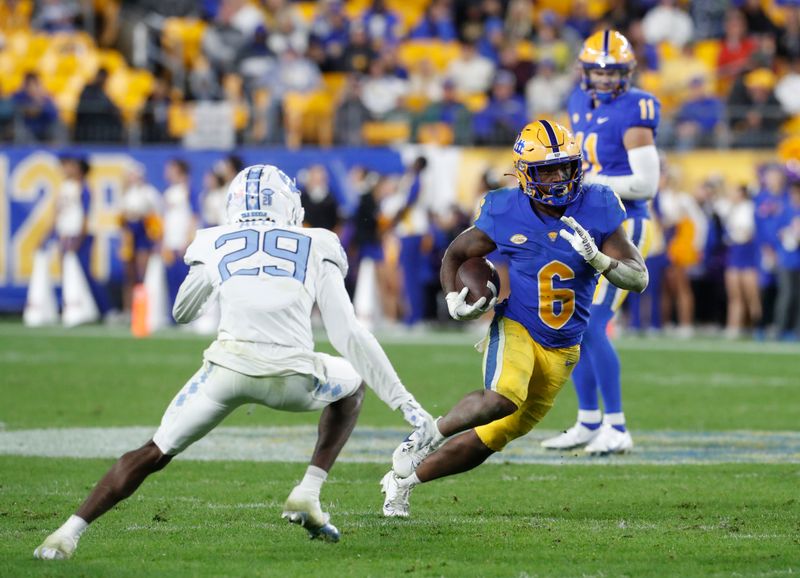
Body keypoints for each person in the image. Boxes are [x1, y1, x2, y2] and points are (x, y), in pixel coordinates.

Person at [34, 164, 435, 559]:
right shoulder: (319, 242)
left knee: (153, 452)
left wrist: (216, 270)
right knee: (352, 386)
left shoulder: (215, 239)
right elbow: (348, 335)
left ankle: (66, 534)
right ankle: (308, 490)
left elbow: (182, 313)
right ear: (287, 203)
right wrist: (404, 402)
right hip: (294, 376)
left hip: (226, 372)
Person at [380, 121, 648, 517]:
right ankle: (425, 435)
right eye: (547, 170)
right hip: (518, 325)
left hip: (564, 348)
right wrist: (455, 297)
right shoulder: (505, 209)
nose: (558, 179)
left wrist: (600, 260)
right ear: (525, 173)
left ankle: (402, 482)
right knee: (502, 397)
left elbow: (638, 278)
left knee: (492, 437)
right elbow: (456, 254)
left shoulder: (598, 204)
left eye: (565, 167)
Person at [540, 30, 660, 454]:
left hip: (624, 226)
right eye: (598, 71)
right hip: (587, 223)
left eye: (613, 72)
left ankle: (617, 426)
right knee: (574, 323)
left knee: (593, 323)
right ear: (585, 71)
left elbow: (647, 184)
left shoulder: (636, 108)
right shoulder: (577, 100)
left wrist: (593, 181)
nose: (606, 80)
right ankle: (589, 421)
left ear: (626, 72)